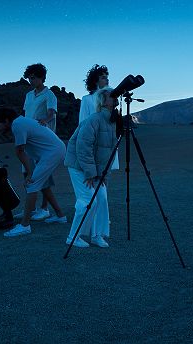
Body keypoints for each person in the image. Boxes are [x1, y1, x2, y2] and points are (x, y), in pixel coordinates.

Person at [0, 107, 68, 237]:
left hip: (52, 153)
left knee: (32, 184)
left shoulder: (17, 125)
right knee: (42, 185)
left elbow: (20, 151)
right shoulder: (21, 122)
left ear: (6, 120)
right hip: (51, 152)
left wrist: (29, 173)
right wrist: (30, 171)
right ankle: (60, 215)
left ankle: (25, 225)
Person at [64, 87, 119, 248]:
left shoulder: (111, 121)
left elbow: (106, 153)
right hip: (78, 166)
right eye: (111, 96)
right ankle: (73, 237)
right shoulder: (94, 120)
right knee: (88, 200)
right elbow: (83, 147)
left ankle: (97, 235)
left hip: (93, 169)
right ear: (103, 101)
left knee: (102, 198)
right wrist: (90, 173)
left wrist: (102, 175)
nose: (115, 98)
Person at [79, 65, 119, 236]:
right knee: (94, 178)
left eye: (106, 76)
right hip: (94, 142)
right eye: (102, 77)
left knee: (105, 176)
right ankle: (94, 211)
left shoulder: (111, 99)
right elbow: (83, 122)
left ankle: (103, 213)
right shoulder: (87, 99)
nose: (106, 79)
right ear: (95, 80)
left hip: (108, 143)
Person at [21, 63, 57, 220]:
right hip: (27, 138)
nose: (31, 80)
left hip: (42, 139)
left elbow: (51, 113)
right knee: (27, 171)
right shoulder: (29, 95)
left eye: (33, 77)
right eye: (29, 77)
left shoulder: (49, 95)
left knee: (41, 174)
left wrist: (45, 120)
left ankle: (45, 208)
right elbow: (26, 113)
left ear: (41, 77)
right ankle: (31, 208)